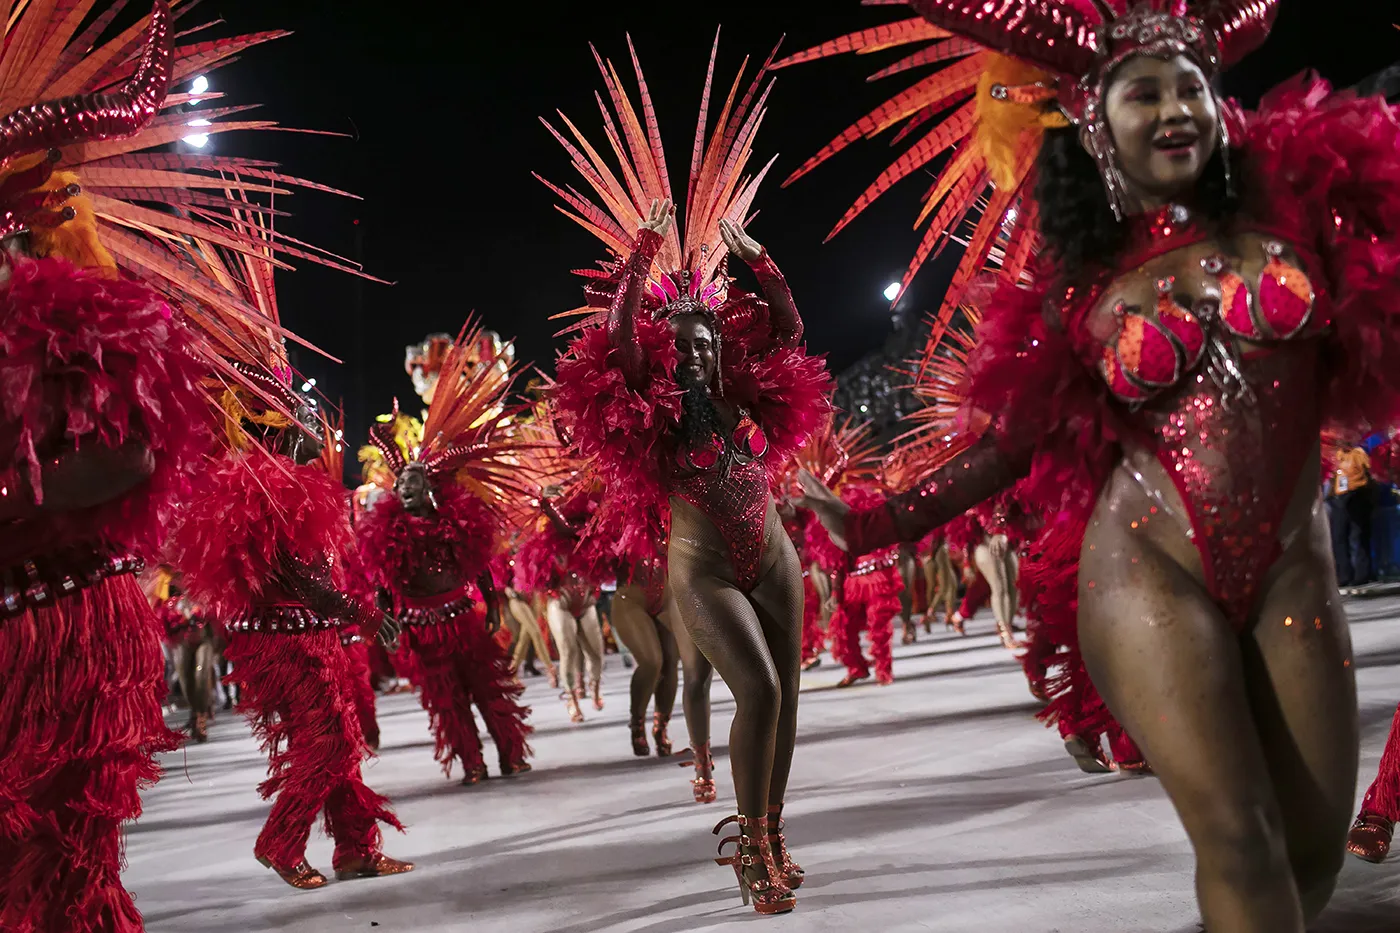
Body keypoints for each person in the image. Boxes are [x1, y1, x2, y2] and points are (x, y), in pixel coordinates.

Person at [789, 2, 1400, 928]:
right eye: (1142, 93)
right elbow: (1011, 443)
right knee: (1240, 839)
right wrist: (881, 520)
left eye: (1190, 85)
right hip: (1149, 574)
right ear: (1095, 124)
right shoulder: (1073, 284)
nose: (1173, 109)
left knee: (1312, 853)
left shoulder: (1302, 205)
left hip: (1293, 567)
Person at [547, 39, 831, 915]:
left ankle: (774, 830)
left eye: (710, 341)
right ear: (675, 357)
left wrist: (764, 263)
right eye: (689, 346)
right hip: (701, 568)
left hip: (774, 554)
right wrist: (638, 255)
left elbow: (787, 332)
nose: (702, 354)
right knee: (758, 687)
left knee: (789, 703)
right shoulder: (654, 412)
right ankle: (748, 848)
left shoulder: (749, 385)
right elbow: (624, 344)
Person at [356, 327, 536, 786]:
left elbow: (481, 569)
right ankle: (471, 762)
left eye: (412, 482)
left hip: (463, 618)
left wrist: (493, 607)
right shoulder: (385, 529)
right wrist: (387, 624)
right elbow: (382, 583)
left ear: (429, 487)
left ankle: (511, 753)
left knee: (487, 687)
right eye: (401, 484)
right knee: (445, 699)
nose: (404, 488)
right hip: (422, 629)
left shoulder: (457, 520)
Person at [1331, 441, 1376, 588]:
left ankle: (1361, 574)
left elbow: (1369, 472)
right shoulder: (1336, 455)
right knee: (1339, 537)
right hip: (1340, 499)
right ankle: (1344, 576)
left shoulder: (1358, 453)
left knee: (1357, 536)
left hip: (1356, 495)